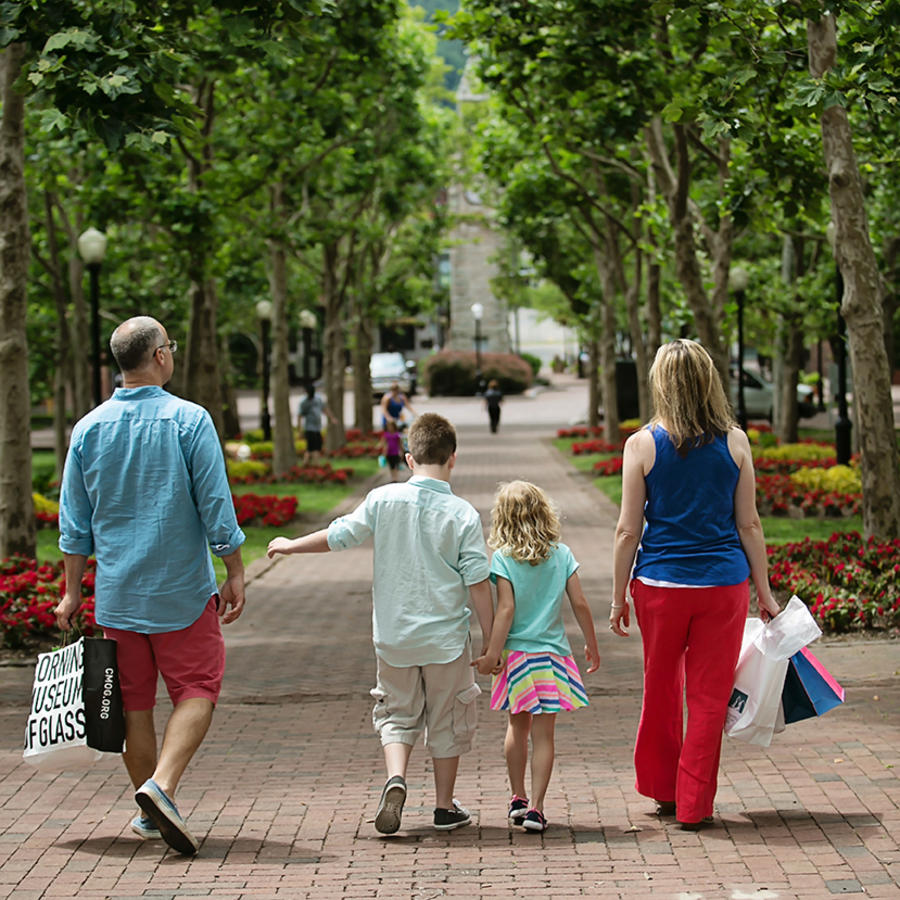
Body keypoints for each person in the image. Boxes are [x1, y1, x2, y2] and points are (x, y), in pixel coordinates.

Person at [54, 316, 246, 856]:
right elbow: (215, 504)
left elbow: (75, 523)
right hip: (182, 593)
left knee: (133, 706)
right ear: (160, 355)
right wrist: (234, 569)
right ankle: (161, 787)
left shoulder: (88, 429)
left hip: (118, 595)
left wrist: (72, 592)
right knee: (198, 690)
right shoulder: (190, 420)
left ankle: (147, 811)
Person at [266, 413, 493, 835]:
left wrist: (291, 546)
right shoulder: (462, 514)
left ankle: (396, 777)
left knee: (396, 712)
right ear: (453, 459)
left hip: (393, 637)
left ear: (409, 458)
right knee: (448, 718)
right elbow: (478, 582)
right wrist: (491, 642)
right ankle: (444, 808)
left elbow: (340, 535)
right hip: (445, 640)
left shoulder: (382, 499)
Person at [609, 339, 780, 831]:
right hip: (724, 585)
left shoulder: (641, 444)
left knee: (660, 686)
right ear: (709, 380)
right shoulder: (736, 441)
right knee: (708, 697)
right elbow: (749, 525)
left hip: (659, 586)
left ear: (661, 382)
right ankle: (694, 804)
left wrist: (619, 596)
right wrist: (765, 594)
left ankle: (664, 790)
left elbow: (627, 529)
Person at [474, 481, 600, 834]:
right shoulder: (561, 554)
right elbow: (580, 603)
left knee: (517, 726)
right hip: (553, 657)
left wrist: (491, 654)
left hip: (517, 658)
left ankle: (517, 796)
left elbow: (506, 610)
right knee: (544, 736)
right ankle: (537, 809)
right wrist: (591, 643)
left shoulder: (502, 559)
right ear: (544, 512)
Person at [298, 382, 337, 464]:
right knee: (314, 448)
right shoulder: (304, 402)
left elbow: (324, 409)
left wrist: (332, 418)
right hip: (309, 428)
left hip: (317, 427)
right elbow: (300, 415)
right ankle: (317, 465)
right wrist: (300, 430)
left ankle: (305, 464)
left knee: (311, 448)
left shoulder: (318, 399)